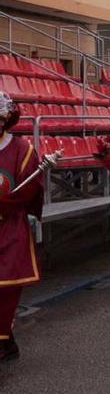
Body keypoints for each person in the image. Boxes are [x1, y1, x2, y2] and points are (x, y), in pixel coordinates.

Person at [0, 93, 44, 361]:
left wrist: (4, 201)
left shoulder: (22, 149)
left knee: (6, 286)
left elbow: (29, 189)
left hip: (10, 226)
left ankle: (3, 338)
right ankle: (7, 339)